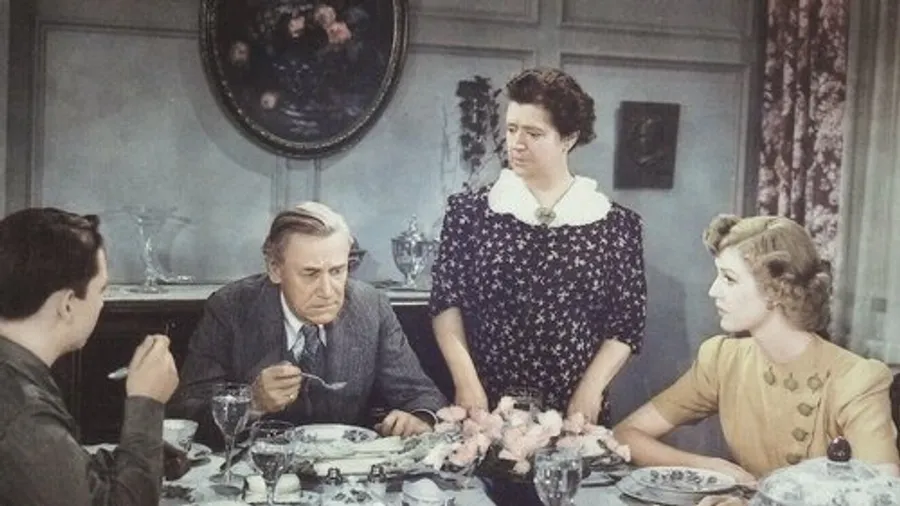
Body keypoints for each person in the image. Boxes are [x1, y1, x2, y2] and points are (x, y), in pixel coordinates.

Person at [430, 67, 647, 426]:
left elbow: (626, 324)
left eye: (534, 133)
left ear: (568, 139)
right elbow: (445, 302)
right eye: (512, 128)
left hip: (574, 413)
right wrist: (466, 382)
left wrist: (590, 391)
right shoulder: (470, 212)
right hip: (484, 406)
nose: (516, 143)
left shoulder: (616, 226)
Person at [614, 214, 900, 485]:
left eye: (729, 279)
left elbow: (883, 491)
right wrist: (707, 467)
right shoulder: (723, 359)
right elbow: (626, 434)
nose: (713, 291)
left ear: (776, 290)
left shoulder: (856, 379)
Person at [170, 202, 446, 444]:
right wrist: (252, 402)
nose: (327, 290)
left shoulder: (371, 307)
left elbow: (423, 395)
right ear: (275, 269)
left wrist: (419, 419)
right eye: (310, 274)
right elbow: (186, 414)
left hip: (344, 474)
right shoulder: (231, 308)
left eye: (337, 271)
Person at [0, 208, 180, 505]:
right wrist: (146, 403)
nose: (101, 304)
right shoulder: (24, 412)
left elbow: (53, 480)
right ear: (68, 304)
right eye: (101, 290)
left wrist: (138, 455)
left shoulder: (16, 374)